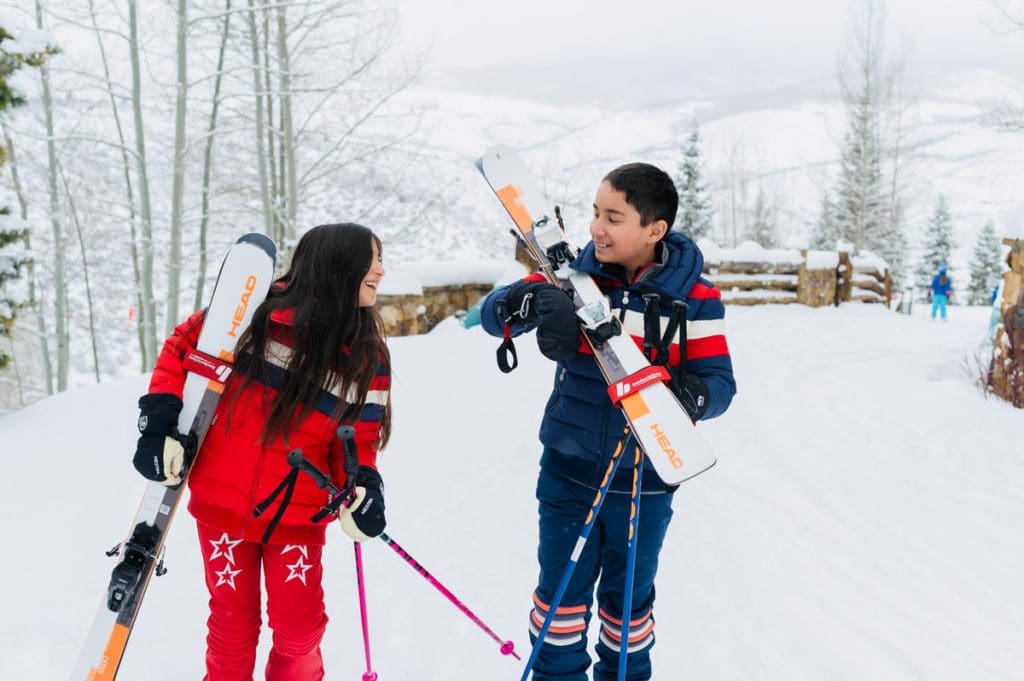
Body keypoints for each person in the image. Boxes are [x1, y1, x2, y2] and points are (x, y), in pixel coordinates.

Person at [481, 163, 736, 680]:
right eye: (595, 212)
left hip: (644, 482)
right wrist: (523, 301)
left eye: (613, 217)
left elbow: (720, 384)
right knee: (559, 610)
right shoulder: (572, 279)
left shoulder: (696, 298)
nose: (596, 228)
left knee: (627, 615)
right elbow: (493, 317)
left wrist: (690, 396)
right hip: (567, 474)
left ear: (654, 229)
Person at [132, 223, 391, 681]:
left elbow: (360, 435)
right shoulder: (251, 311)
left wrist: (363, 484)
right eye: (372, 260)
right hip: (222, 505)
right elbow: (181, 349)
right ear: (337, 267)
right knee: (232, 627)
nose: (381, 271)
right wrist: (158, 423)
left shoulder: (366, 354)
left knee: (299, 631)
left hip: (299, 511)